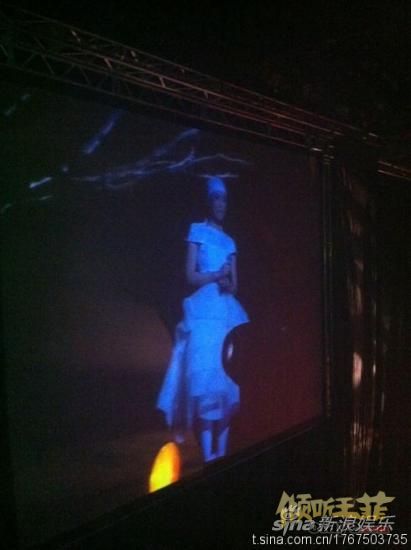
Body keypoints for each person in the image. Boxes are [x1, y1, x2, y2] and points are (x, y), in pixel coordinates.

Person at [156, 176, 249, 462]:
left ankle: (223, 453)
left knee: (226, 383)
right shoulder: (197, 231)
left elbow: (235, 285)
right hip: (204, 310)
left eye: (225, 199)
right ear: (209, 201)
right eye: (217, 199)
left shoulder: (230, 241)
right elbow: (190, 275)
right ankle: (209, 456)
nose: (221, 204)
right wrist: (215, 275)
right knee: (207, 381)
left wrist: (227, 282)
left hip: (225, 311)